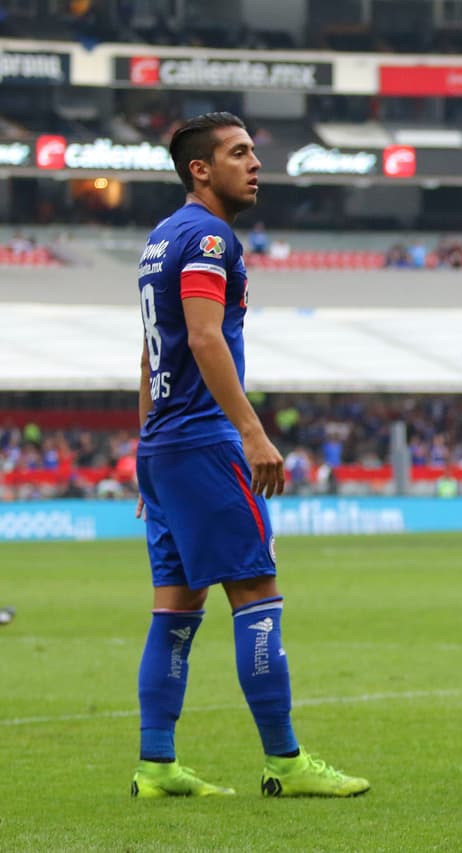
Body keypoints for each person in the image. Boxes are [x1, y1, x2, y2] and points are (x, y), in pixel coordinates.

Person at [132, 112, 368, 799]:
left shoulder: (160, 238)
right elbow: (205, 337)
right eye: (238, 153)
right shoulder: (209, 237)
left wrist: (147, 448)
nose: (255, 163)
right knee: (256, 591)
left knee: (176, 607)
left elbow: (148, 356)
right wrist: (252, 432)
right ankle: (285, 760)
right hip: (204, 441)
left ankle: (156, 764)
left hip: (164, 444)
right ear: (200, 169)